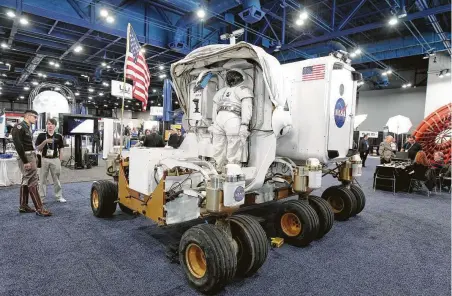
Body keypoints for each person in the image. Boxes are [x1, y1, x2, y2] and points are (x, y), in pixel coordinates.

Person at [209, 69, 253, 172]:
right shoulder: (243, 89)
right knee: (233, 148)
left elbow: (214, 109)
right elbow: (247, 108)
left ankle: (218, 171)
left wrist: (213, 123)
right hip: (233, 118)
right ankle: (232, 173)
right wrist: (244, 124)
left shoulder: (221, 91)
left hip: (219, 118)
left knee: (218, 148)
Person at [11, 110, 52, 216]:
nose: (36, 119)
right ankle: (40, 208)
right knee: (33, 181)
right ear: (28, 116)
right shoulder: (19, 127)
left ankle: (23, 206)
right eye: (35, 117)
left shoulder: (26, 127)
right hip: (27, 156)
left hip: (29, 155)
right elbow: (18, 145)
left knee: (26, 180)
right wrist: (25, 161)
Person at [36, 118, 66, 203]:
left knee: (56, 179)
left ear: (55, 126)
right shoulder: (41, 135)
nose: (50, 126)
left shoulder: (58, 136)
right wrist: (45, 141)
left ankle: (59, 196)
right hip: (44, 159)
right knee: (42, 180)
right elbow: (38, 148)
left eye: (52, 124)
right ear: (46, 125)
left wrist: (60, 160)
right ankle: (41, 198)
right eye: (48, 124)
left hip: (55, 159)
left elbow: (61, 149)